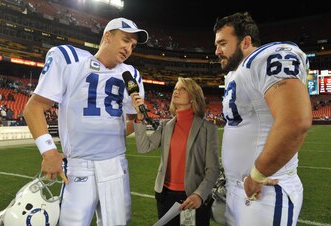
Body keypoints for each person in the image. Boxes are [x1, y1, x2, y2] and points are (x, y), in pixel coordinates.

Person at [24, 17, 149, 226]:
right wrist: (48, 151)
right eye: (125, 40)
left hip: (116, 166)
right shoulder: (70, 59)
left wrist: (137, 118)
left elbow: (128, 124)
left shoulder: (131, 76)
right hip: (79, 165)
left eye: (133, 45)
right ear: (107, 37)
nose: (129, 48)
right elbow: (33, 107)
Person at [214, 12, 312, 226]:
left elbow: (296, 120)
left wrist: (258, 174)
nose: (217, 51)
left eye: (222, 43)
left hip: (264, 191)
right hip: (240, 191)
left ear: (246, 41)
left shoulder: (267, 56)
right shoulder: (235, 73)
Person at [131, 77, 220, 226]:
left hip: (192, 196)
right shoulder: (165, 126)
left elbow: (213, 169)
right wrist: (139, 118)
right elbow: (143, 147)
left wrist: (199, 195)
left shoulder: (208, 129)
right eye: (175, 89)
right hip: (164, 195)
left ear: (192, 96)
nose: (176, 91)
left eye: (182, 89)